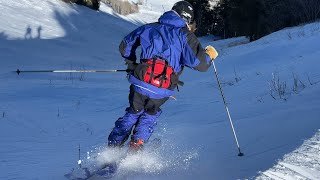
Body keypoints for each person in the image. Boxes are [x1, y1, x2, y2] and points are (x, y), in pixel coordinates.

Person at [107, 1, 218, 151]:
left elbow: (125, 46)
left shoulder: (149, 27)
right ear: (187, 19)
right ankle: (137, 145)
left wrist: (132, 64)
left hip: (141, 79)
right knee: (150, 114)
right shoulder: (186, 35)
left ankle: (113, 147)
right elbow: (200, 64)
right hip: (162, 87)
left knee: (133, 112)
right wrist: (209, 55)